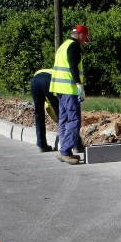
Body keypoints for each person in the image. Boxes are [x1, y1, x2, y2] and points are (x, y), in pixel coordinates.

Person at [49, 25, 91, 165]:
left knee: (64, 120)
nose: (85, 42)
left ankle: (64, 150)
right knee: (74, 121)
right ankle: (65, 151)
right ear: (81, 36)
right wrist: (79, 85)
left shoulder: (63, 46)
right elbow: (73, 66)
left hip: (59, 89)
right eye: (85, 39)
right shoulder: (74, 47)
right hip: (69, 89)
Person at [30, 69, 84, 153]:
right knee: (62, 114)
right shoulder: (61, 77)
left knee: (38, 113)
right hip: (48, 80)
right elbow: (52, 107)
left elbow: (47, 106)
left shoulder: (47, 71)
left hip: (35, 81)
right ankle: (77, 145)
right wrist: (57, 118)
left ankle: (42, 145)